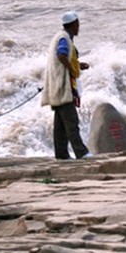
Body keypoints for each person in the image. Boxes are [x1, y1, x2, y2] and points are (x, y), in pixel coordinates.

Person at [42, 11, 90, 160]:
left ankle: (61, 154)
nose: (79, 28)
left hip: (56, 86)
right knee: (71, 122)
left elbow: (63, 58)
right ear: (74, 25)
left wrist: (77, 65)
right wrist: (71, 69)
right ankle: (81, 153)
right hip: (63, 87)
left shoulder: (60, 36)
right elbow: (61, 55)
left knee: (60, 125)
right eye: (78, 25)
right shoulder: (64, 39)